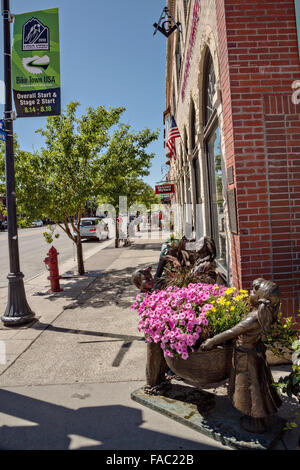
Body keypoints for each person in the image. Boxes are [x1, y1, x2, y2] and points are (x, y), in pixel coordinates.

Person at [201, 277, 282, 433]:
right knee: (258, 385)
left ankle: (255, 420)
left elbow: (232, 332)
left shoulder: (254, 317)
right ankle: (259, 415)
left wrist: (211, 341)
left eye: (253, 291)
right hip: (255, 353)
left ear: (259, 299)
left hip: (245, 357)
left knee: (250, 388)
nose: (249, 292)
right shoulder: (267, 313)